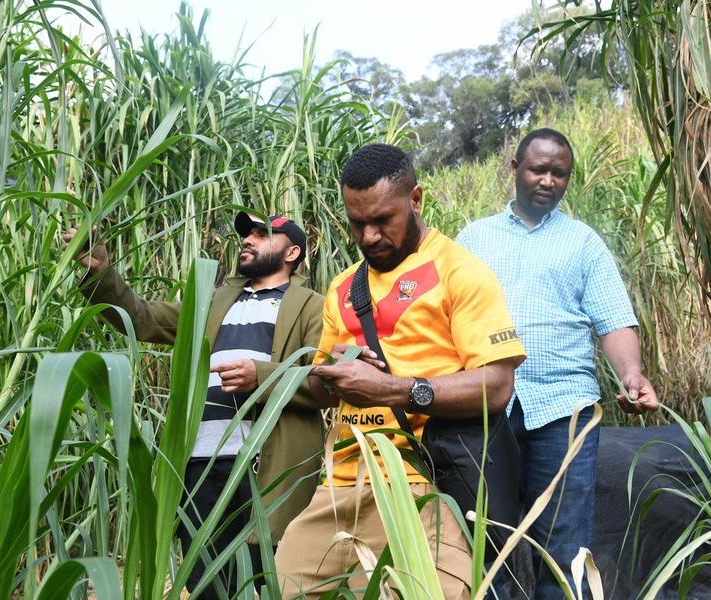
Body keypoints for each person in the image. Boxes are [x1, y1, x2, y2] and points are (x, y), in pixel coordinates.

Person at [274, 143, 527, 599]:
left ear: (416, 200)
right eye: (357, 223)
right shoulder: (343, 287)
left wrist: (393, 389)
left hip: (420, 482)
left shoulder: (460, 272)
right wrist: (336, 370)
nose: (369, 236)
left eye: (382, 220)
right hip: (340, 484)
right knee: (282, 587)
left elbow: (496, 386)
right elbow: (319, 386)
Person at [63, 211, 324, 598]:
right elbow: (144, 318)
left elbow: (323, 381)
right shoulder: (214, 299)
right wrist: (102, 273)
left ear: (293, 252)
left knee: (262, 583)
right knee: (204, 582)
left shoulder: (312, 306)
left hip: (265, 469)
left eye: (262, 234)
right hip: (200, 464)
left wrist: (262, 376)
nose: (248, 240)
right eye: (246, 234)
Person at [456, 128, 659, 599]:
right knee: (486, 544)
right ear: (515, 170)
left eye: (559, 173)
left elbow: (614, 322)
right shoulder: (473, 239)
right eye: (538, 170)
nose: (548, 180)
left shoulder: (583, 244)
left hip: (564, 410)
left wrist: (631, 373)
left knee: (564, 548)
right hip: (485, 410)